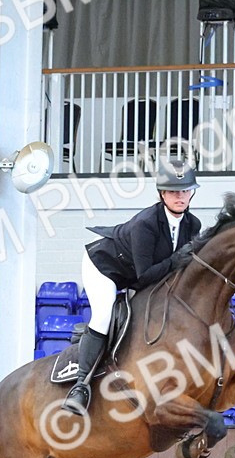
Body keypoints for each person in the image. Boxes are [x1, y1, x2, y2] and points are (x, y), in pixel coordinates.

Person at [61, 158, 203, 416]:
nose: (180, 196)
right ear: (162, 194)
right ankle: (81, 386)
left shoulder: (193, 225)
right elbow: (145, 276)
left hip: (138, 273)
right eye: (173, 191)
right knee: (104, 315)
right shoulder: (146, 224)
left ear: (192, 192)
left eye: (185, 190)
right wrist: (175, 260)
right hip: (104, 266)